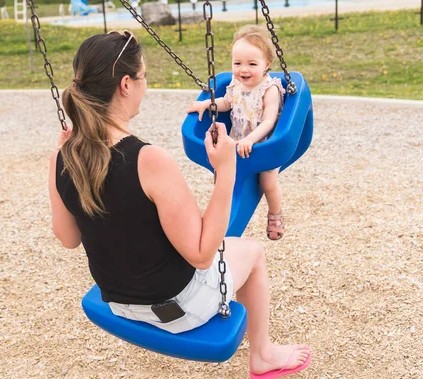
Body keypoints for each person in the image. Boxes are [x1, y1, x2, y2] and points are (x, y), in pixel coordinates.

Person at [48, 31, 310, 377]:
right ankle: (262, 354)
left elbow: (67, 238)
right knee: (252, 253)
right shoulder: (148, 159)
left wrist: (57, 155)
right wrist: (226, 171)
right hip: (177, 309)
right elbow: (202, 254)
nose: (146, 85)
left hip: (118, 305)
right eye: (143, 77)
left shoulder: (63, 155)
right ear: (126, 84)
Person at [187, 24, 287, 240]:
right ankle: (222, 216)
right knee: (223, 178)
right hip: (236, 143)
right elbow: (226, 103)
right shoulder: (235, 84)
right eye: (238, 63)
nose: (244, 70)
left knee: (267, 182)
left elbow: (269, 122)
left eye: (252, 64)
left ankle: (275, 214)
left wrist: (251, 140)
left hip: (264, 146)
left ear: (266, 64)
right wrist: (208, 105)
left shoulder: (270, 90)